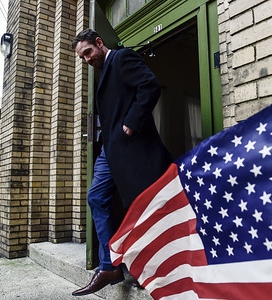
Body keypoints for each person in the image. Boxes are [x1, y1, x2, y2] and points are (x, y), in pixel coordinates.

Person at [71, 29, 173, 296]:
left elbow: (149, 85)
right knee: (96, 198)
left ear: (99, 43)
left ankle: (151, 269)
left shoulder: (123, 58)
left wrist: (130, 124)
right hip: (110, 150)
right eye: (82, 57)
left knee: (142, 209)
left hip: (133, 149)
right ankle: (110, 265)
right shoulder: (103, 70)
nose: (87, 60)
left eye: (88, 53)